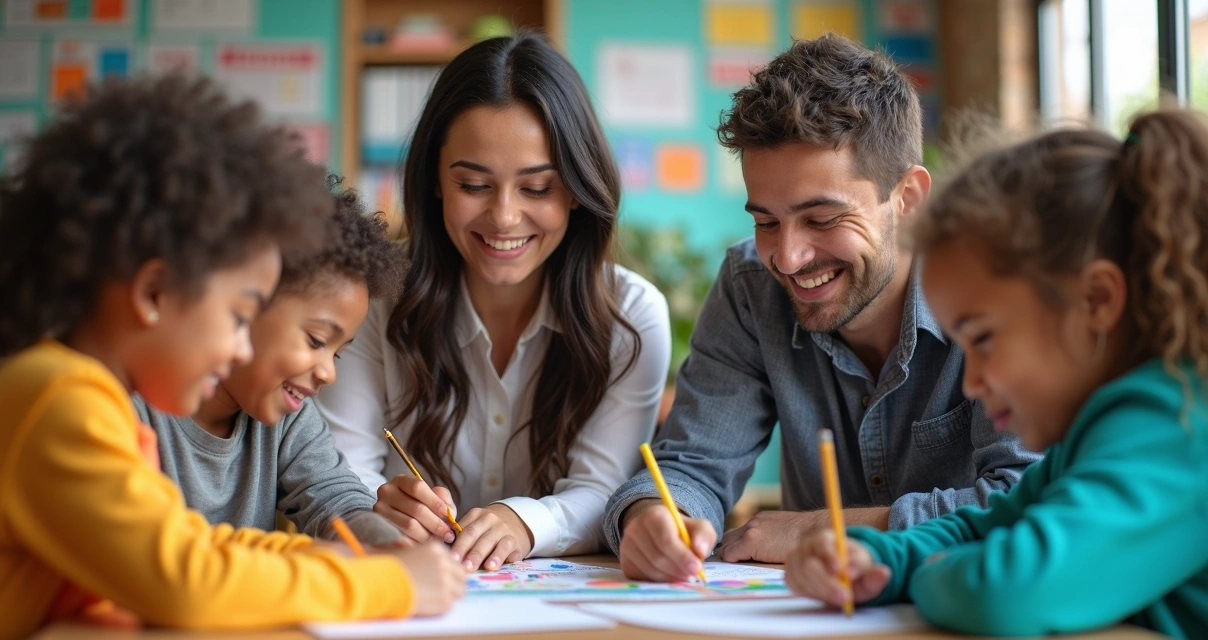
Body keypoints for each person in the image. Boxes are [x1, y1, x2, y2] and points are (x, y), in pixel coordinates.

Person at [0, 75, 464, 636]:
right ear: (153, 293)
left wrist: (350, 558)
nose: (241, 347)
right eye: (240, 317)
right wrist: (392, 586)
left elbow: (189, 542)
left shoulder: (82, 396)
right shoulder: (59, 399)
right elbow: (186, 582)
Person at [603, 34, 1039, 581]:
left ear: (907, 198)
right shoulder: (749, 285)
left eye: (823, 218)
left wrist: (821, 528)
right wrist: (655, 517)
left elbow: (1032, 499)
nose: (787, 257)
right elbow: (693, 464)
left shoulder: (996, 290)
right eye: (765, 221)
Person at [785, 108, 1208, 639]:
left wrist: (938, 577)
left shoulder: (1178, 426)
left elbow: (1008, 593)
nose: (972, 382)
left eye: (982, 339)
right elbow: (983, 528)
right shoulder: (1097, 436)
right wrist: (876, 557)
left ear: (1096, 301)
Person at [317, 33, 671, 573]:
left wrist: (524, 522)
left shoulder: (630, 314)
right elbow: (339, 474)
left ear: (576, 189)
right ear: (436, 179)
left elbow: (603, 491)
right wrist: (376, 508)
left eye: (536, 189)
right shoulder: (376, 294)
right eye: (474, 184)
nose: (504, 218)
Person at [134, 178, 410, 546]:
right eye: (315, 340)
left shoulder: (289, 418)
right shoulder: (132, 409)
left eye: (338, 352)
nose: (328, 372)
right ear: (245, 306)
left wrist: (389, 546)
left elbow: (336, 498)